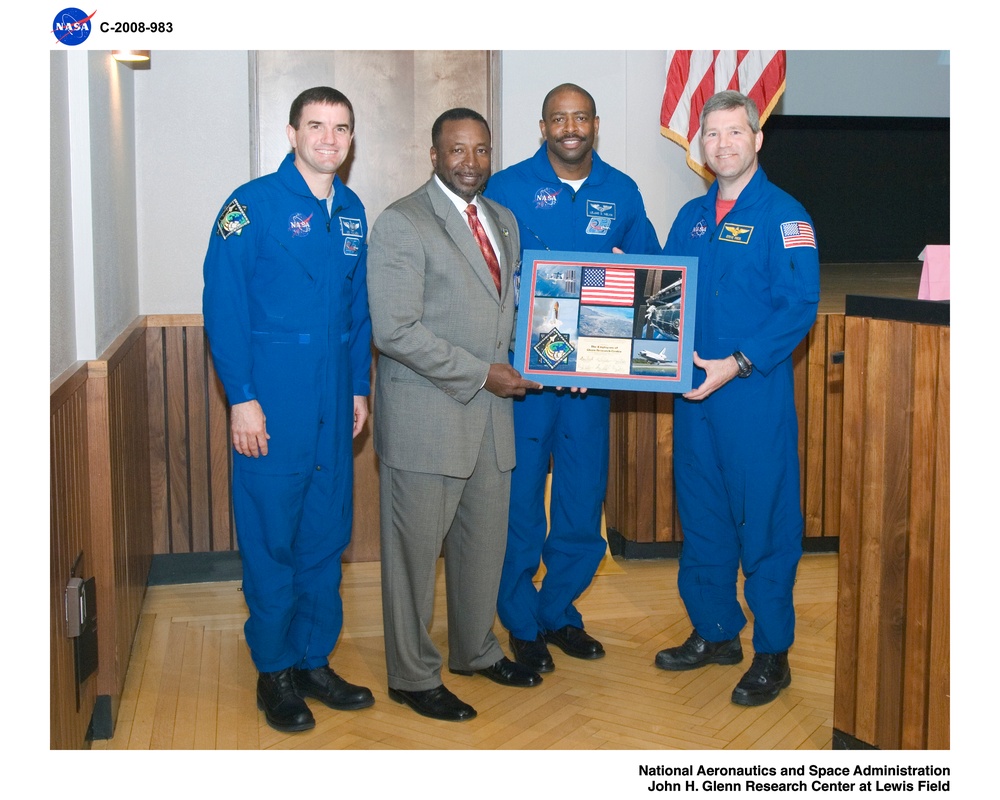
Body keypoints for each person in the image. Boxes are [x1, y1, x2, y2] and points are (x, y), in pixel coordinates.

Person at [202, 87, 375, 733]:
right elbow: (223, 306)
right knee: (272, 539)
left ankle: (312, 660)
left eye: (341, 128)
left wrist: (358, 387)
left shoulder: (352, 211)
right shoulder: (250, 206)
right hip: (273, 401)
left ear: (351, 138)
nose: (329, 138)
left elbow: (358, 312)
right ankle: (274, 670)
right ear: (291, 132)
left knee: (325, 537)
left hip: (334, 402)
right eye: (316, 125)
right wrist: (242, 399)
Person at [366, 108, 544, 722]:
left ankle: (476, 650)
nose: (471, 162)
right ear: (435, 155)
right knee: (413, 561)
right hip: (428, 421)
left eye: (481, 150)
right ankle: (412, 675)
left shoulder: (504, 220)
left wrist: (563, 357)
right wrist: (481, 373)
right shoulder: (402, 222)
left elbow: (509, 314)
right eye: (458, 150)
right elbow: (394, 330)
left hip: (492, 424)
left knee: (482, 551)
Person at [483, 84, 661, 673]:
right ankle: (520, 620)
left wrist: (611, 355)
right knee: (520, 506)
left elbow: (651, 281)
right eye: (558, 118)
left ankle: (558, 611)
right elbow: (483, 278)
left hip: (591, 384)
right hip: (526, 381)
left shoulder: (622, 190)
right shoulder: (506, 187)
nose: (570, 127)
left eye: (580, 117)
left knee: (582, 503)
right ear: (543, 127)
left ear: (595, 124)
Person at [653, 90, 820, 706]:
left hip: (752, 394)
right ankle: (716, 630)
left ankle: (772, 652)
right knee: (702, 516)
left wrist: (740, 361)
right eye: (712, 133)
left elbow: (799, 306)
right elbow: (662, 296)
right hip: (695, 396)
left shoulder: (785, 216)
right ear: (701, 144)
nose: (722, 144)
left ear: (757, 139)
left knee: (765, 523)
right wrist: (622, 278)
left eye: (734, 132)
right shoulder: (690, 218)